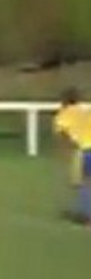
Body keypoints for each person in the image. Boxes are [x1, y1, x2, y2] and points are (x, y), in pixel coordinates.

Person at [53, 87, 91, 224]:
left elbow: (62, 136)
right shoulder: (88, 110)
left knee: (85, 183)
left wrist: (63, 153)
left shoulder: (63, 115)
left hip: (85, 150)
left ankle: (86, 215)